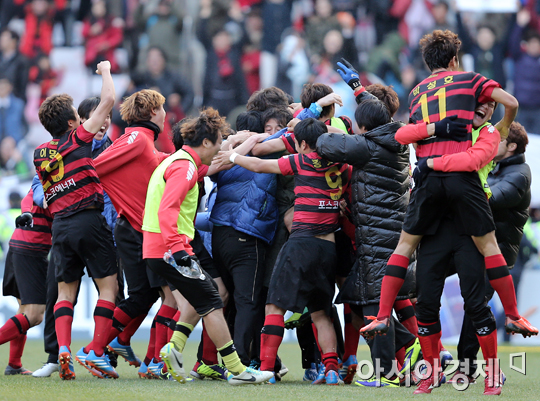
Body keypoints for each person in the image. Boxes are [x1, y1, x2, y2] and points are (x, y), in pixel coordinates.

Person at [359, 29, 536, 340]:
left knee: (405, 246)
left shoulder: (415, 93)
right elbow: (511, 101)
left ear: (428, 63)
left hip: (426, 182)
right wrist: (505, 124)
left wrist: (432, 133)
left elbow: (402, 135)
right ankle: (512, 314)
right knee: (488, 247)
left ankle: (383, 315)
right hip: (461, 180)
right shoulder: (470, 81)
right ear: (455, 59)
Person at [215, 118, 351, 385]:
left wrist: (232, 154)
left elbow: (259, 164)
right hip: (329, 248)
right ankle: (332, 369)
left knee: (273, 306)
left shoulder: (302, 161)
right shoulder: (342, 165)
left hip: (301, 243)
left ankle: (265, 369)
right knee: (321, 312)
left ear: (302, 144)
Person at [144, 108, 273, 385]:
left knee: (212, 295)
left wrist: (244, 142)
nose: (218, 148)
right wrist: (178, 250)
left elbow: (220, 164)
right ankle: (237, 371)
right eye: (216, 143)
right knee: (213, 302)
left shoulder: (182, 161)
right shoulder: (184, 167)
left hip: (161, 248)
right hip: (170, 249)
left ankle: (174, 349)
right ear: (205, 143)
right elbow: (168, 210)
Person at [316, 93, 418, 388]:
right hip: (390, 235)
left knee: (372, 303)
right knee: (358, 300)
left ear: (363, 128)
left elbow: (324, 145)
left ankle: (386, 373)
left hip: (377, 238)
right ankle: (409, 344)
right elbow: (352, 138)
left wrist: (316, 123)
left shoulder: (368, 147)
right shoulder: (395, 141)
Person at [32, 61, 119, 380]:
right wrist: (106, 71)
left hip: (61, 227)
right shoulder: (76, 140)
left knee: (66, 293)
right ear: (72, 121)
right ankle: (96, 350)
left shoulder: (40, 153)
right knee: (108, 288)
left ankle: (64, 350)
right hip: (89, 219)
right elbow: (108, 101)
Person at [92, 88, 173, 378]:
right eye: (162, 108)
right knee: (172, 297)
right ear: (153, 111)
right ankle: (151, 362)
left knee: (145, 296)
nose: (166, 114)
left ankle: (107, 347)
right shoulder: (137, 138)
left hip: (137, 228)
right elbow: (95, 167)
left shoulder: (145, 142)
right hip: (140, 229)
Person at [453, 121, 532, 386]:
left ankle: (467, 367)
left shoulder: (520, 173)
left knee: (475, 307)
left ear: (510, 146)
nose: (489, 142)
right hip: (476, 248)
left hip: (497, 254)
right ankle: (466, 365)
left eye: (497, 139)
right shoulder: (495, 167)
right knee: (472, 305)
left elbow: (492, 198)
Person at [0, 188, 52, 375]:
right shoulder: (54, 180)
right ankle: (14, 364)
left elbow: (27, 200)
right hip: (32, 249)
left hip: (18, 246)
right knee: (35, 315)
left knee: (23, 311)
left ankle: (14, 364)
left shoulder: (41, 181)